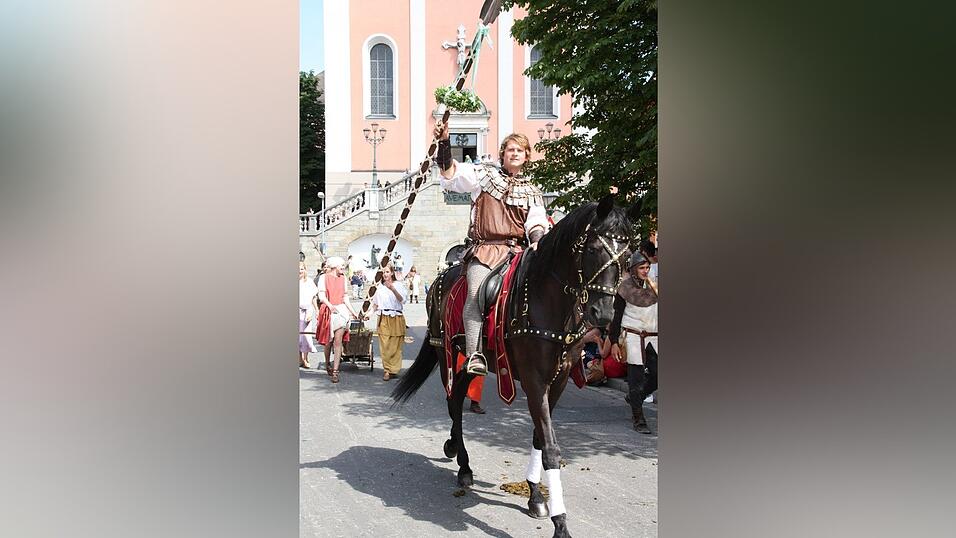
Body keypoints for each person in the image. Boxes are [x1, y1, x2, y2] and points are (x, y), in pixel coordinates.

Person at [436, 123, 550, 376]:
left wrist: (537, 238)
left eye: (520, 150)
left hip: (517, 253)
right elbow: (451, 173)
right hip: (485, 251)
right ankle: (475, 353)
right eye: (510, 149)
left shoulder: (531, 190)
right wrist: (445, 143)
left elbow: (536, 220)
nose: (515, 153)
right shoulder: (483, 176)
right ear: (503, 154)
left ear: (527, 156)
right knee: (477, 294)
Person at [607, 251, 659, 434]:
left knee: (658, 374)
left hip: (653, 336)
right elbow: (617, 317)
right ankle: (639, 418)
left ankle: (636, 397)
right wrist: (613, 341)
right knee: (635, 379)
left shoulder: (654, 285)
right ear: (633, 269)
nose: (645, 271)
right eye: (641, 268)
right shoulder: (624, 289)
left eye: (647, 267)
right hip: (634, 336)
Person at [316, 256, 360, 383]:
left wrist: (353, 312)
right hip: (328, 311)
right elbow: (322, 296)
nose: (343, 268)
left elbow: (345, 297)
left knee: (338, 341)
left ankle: (335, 371)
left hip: (341, 312)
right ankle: (327, 363)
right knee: (328, 341)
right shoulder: (323, 278)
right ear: (335, 266)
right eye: (341, 266)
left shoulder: (343, 278)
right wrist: (330, 306)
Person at [372, 264, 407, 381]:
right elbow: (375, 304)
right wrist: (368, 315)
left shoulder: (399, 285)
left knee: (395, 345)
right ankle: (387, 370)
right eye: (383, 272)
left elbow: (402, 300)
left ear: (392, 273)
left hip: (396, 316)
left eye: (387, 272)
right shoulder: (380, 288)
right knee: (385, 345)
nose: (385, 274)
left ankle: (394, 369)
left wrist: (392, 289)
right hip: (383, 317)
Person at [298, 261, 320, 369]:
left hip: (307, 310)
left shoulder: (310, 282)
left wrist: (316, 310)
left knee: (306, 336)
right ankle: (299, 358)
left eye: (301, 269)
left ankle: (306, 358)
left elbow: (313, 298)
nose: (299, 271)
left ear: (305, 270)